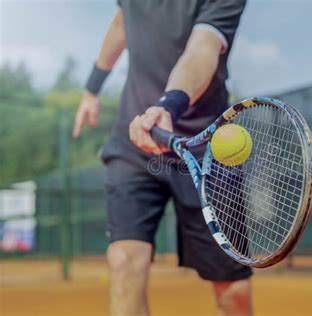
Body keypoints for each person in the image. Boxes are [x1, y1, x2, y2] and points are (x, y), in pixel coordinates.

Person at [73, 1, 252, 315]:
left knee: (232, 290)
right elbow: (120, 24)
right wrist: (92, 89)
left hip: (205, 147)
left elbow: (202, 49)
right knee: (124, 261)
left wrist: (169, 105)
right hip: (135, 140)